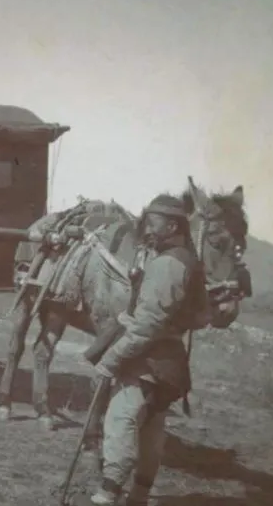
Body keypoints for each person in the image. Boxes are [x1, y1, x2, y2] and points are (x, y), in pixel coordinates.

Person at [82, 194, 207, 506]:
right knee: (151, 428)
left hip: (148, 361)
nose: (147, 229)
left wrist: (110, 359)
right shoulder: (188, 261)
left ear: (172, 226)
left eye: (153, 223)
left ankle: (108, 492)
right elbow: (201, 316)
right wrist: (171, 325)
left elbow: (146, 327)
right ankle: (139, 496)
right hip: (171, 363)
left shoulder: (166, 265)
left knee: (121, 419)